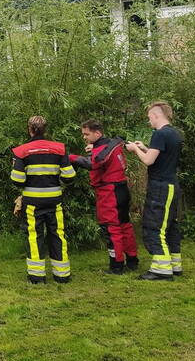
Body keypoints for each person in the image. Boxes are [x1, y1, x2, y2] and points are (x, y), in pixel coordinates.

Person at [11, 115, 77, 284]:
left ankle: (37, 276)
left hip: (33, 202)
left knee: (34, 236)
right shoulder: (59, 149)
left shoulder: (21, 151)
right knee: (58, 234)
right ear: (45, 129)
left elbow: (17, 180)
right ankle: (62, 275)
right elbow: (69, 176)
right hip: (55, 200)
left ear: (30, 129)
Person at [69, 120, 139, 274]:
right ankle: (132, 260)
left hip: (109, 191)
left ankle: (117, 265)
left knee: (112, 228)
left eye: (86, 134)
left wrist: (71, 158)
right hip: (121, 188)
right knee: (124, 225)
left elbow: (93, 163)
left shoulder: (103, 150)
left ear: (97, 133)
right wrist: (92, 149)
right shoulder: (112, 145)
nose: (84, 138)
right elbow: (99, 155)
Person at [126, 101, 183, 281]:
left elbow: (149, 161)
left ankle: (161, 270)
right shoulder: (174, 133)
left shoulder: (159, 134)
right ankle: (175, 265)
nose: (149, 120)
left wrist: (135, 149)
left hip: (160, 186)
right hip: (172, 184)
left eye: (149, 117)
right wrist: (144, 147)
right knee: (170, 226)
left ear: (157, 115)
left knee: (154, 226)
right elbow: (161, 156)